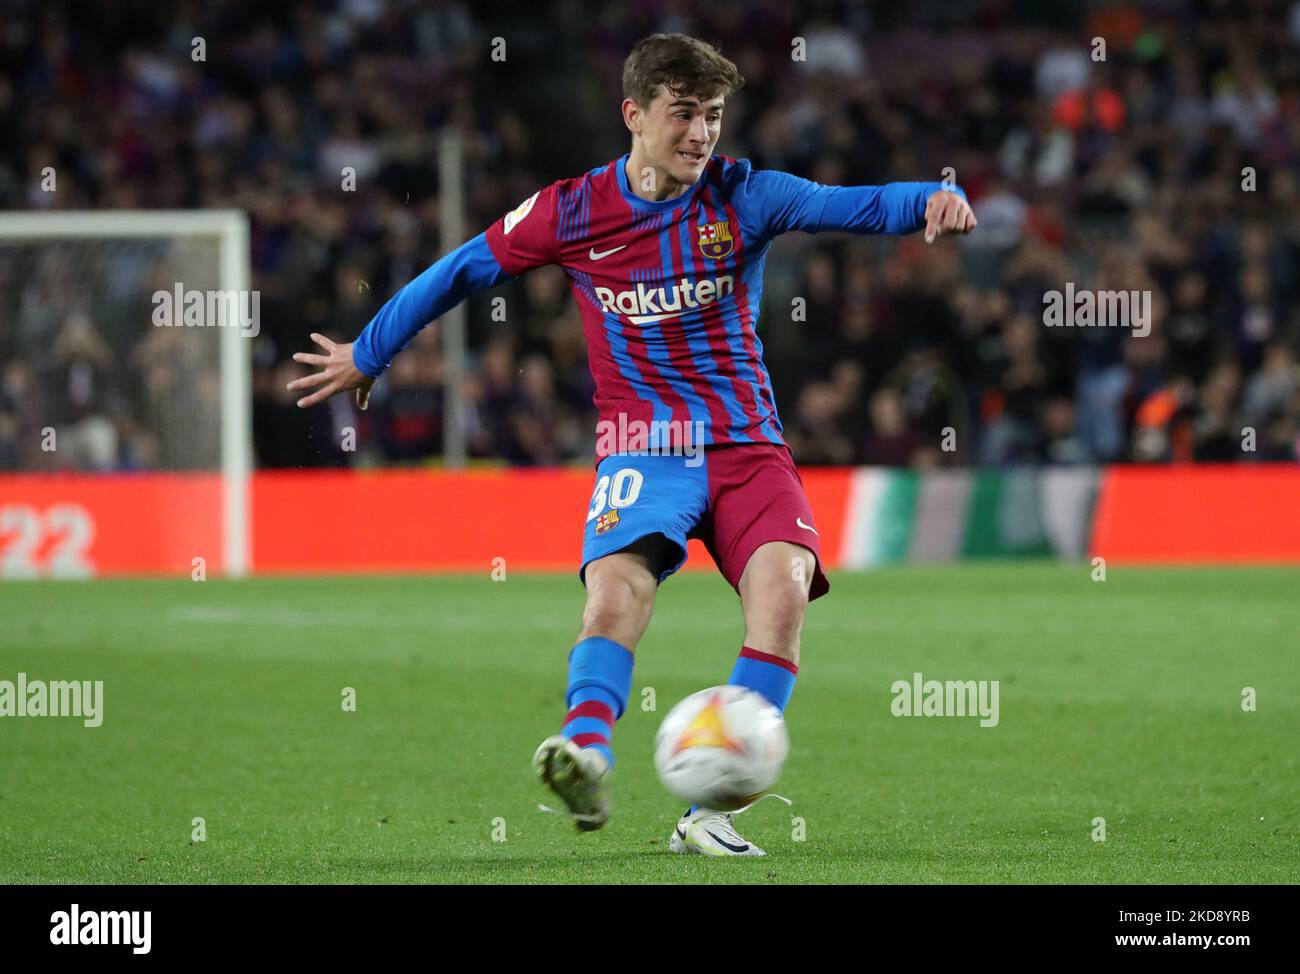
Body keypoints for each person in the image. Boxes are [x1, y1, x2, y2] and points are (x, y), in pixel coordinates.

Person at [288, 33, 975, 856]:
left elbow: (849, 203)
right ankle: (587, 756)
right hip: (642, 447)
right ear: (634, 115)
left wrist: (929, 202)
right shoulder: (570, 211)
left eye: (713, 116)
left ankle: (709, 811)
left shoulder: (743, 196)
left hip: (747, 444)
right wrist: (370, 352)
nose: (701, 134)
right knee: (615, 594)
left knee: (784, 595)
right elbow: (464, 268)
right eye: (683, 114)